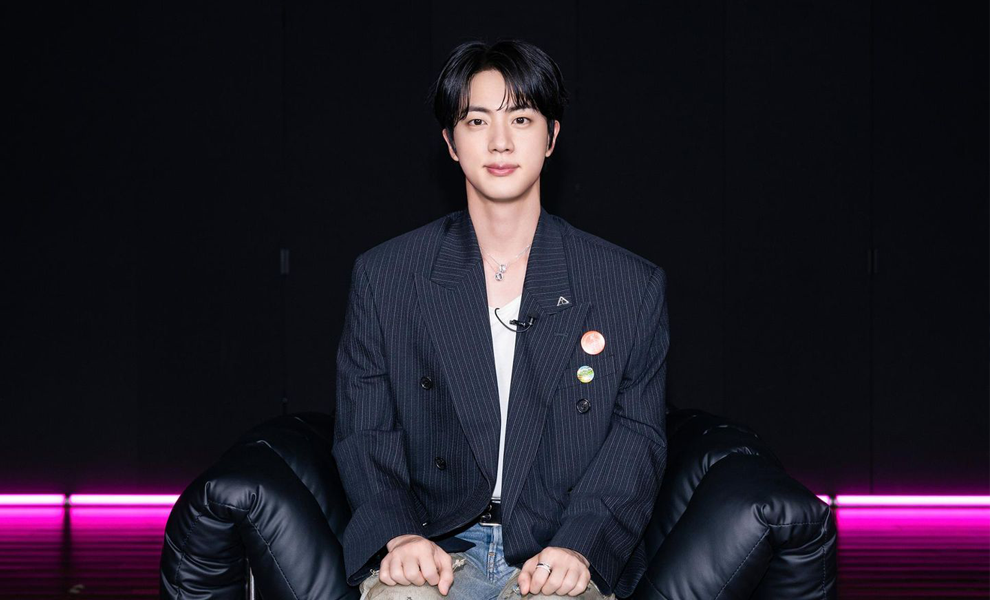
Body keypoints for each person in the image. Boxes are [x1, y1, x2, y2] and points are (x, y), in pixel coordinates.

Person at [333, 38, 669, 600]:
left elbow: (637, 437)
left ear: (552, 136)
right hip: (436, 542)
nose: (500, 141)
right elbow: (364, 429)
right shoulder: (386, 275)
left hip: (557, 546)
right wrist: (399, 535)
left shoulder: (627, 284)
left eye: (521, 118)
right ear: (450, 143)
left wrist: (580, 545)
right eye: (476, 120)